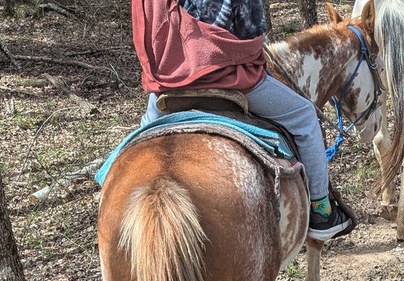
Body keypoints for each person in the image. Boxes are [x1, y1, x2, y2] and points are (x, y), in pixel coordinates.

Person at [132, 0, 354, 240]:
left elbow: (146, 31)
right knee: (305, 117)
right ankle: (322, 212)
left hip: (170, 84)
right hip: (230, 78)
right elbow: (251, 32)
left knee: (142, 136)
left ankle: (110, 186)